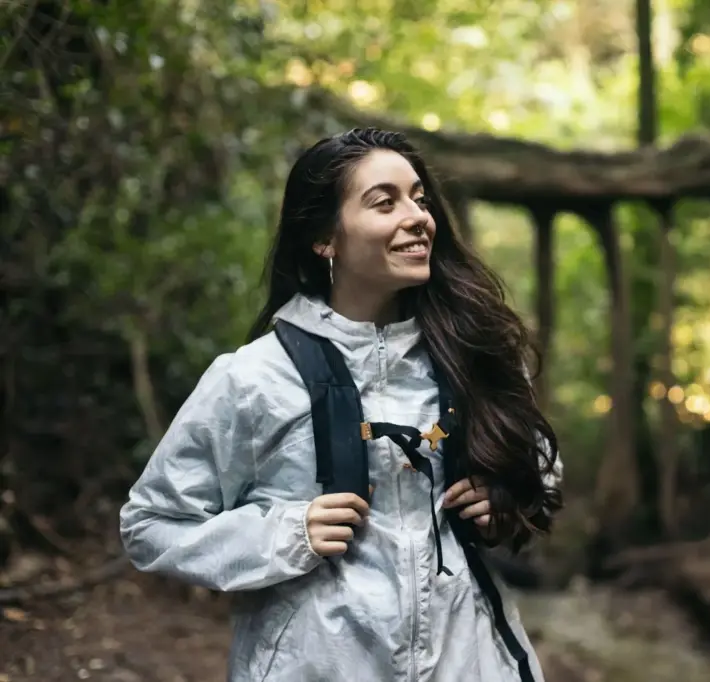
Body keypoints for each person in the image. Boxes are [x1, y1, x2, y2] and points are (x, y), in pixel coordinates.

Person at [119, 128, 563, 682]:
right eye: (385, 202)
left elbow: (540, 461)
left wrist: (507, 494)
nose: (418, 217)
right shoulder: (257, 377)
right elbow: (152, 525)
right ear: (326, 238)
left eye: (420, 199)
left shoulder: (473, 352)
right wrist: (286, 534)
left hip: (470, 659)